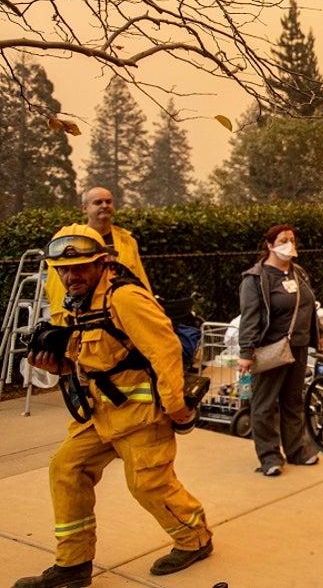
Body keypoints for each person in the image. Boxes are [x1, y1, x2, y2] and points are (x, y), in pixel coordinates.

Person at [15, 225, 212, 588]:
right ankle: (73, 565)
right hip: (100, 414)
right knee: (66, 468)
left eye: (80, 268)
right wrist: (59, 366)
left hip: (142, 415)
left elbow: (165, 349)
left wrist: (176, 408)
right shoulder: (78, 302)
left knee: (148, 484)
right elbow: (91, 356)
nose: (71, 276)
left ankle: (195, 538)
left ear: (102, 263)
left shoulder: (125, 298)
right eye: (63, 269)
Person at [236, 224, 323, 477]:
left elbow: (309, 304)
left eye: (292, 239)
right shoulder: (255, 279)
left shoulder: (297, 273)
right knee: (264, 405)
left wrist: (318, 333)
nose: (289, 244)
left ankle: (297, 451)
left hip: (297, 347)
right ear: (269, 245)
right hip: (270, 349)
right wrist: (246, 352)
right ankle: (269, 456)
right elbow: (250, 317)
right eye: (282, 240)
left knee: (292, 402)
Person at [44, 187, 152, 319]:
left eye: (108, 201)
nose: (105, 206)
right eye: (98, 202)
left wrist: (148, 304)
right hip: (80, 316)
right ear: (84, 208)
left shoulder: (127, 240)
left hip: (122, 313)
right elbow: (57, 284)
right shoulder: (68, 241)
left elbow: (139, 277)